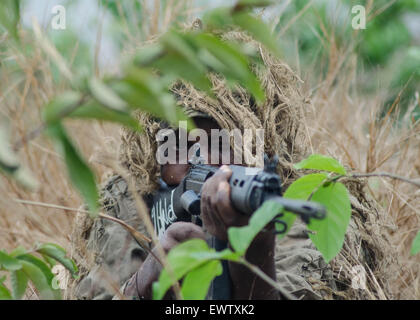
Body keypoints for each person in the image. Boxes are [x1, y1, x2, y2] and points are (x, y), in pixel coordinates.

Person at [69, 28, 389, 301]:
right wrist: (146, 282)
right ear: (154, 151)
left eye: (221, 143)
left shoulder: (294, 203)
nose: (202, 161)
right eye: (181, 144)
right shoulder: (125, 204)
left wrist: (255, 250)